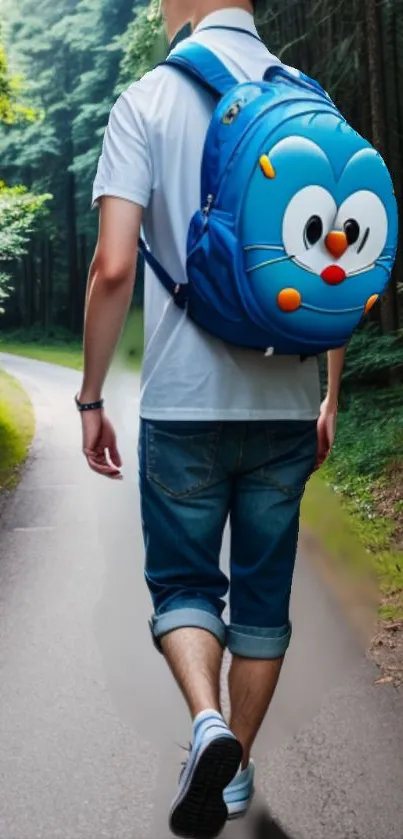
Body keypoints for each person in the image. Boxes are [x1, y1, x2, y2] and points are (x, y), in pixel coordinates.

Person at [76, 1, 345, 837]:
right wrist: (328, 394)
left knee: (186, 585)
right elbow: (337, 267)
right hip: (287, 402)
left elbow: (113, 265)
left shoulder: (146, 100)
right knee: (262, 597)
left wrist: (90, 398)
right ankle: (235, 772)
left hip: (183, 405)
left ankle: (207, 723)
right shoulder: (312, 99)